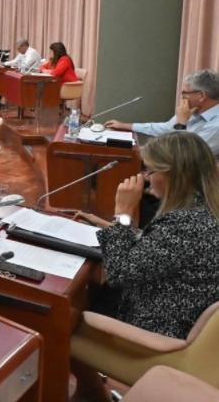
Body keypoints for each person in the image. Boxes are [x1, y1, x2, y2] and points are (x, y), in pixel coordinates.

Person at [71, 132, 219, 401]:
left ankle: (90, 392)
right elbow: (163, 253)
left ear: (173, 174)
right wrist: (116, 228)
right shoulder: (203, 213)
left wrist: (122, 213)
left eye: (151, 170)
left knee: (61, 311)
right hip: (178, 314)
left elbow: (120, 272)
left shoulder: (185, 226)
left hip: (158, 331)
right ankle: (91, 392)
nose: (147, 177)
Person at [106, 69, 219, 157]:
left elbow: (187, 155)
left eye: (185, 93)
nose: (183, 97)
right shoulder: (192, 110)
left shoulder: (216, 125)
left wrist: (181, 124)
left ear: (201, 96)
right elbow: (166, 128)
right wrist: (126, 126)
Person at [0, 38, 40, 108]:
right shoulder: (23, 52)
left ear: (24, 46)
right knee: (5, 79)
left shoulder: (32, 53)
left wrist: (16, 66)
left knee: (9, 80)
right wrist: (4, 64)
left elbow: (25, 65)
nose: (18, 51)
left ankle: (9, 102)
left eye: (19, 49)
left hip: (31, 76)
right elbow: (15, 61)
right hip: (23, 74)